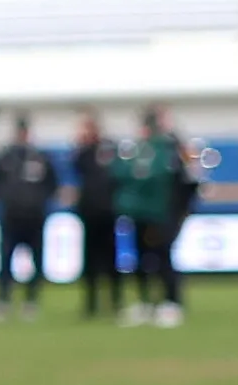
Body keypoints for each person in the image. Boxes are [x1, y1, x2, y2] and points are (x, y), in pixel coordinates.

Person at [121, 106, 195, 323]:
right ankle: (146, 303)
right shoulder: (139, 150)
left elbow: (189, 181)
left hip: (166, 213)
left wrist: (181, 210)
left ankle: (172, 302)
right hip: (142, 214)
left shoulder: (173, 148)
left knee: (164, 257)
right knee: (142, 258)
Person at [0, 115, 57, 317]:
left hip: (34, 217)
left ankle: (31, 301)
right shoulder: (6, 157)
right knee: (6, 260)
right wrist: (6, 200)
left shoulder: (40, 157)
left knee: (35, 261)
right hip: (10, 217)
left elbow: (52, 184)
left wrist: (38, 201)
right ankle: (3, 300)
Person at [72, 109, 123, 317]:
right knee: (90, 260)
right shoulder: (83, 153)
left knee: (111, 258)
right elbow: (76, 168)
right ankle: (91, 303)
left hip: (108, 211)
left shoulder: (110, 148)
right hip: (89, 212)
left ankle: (115, 301)